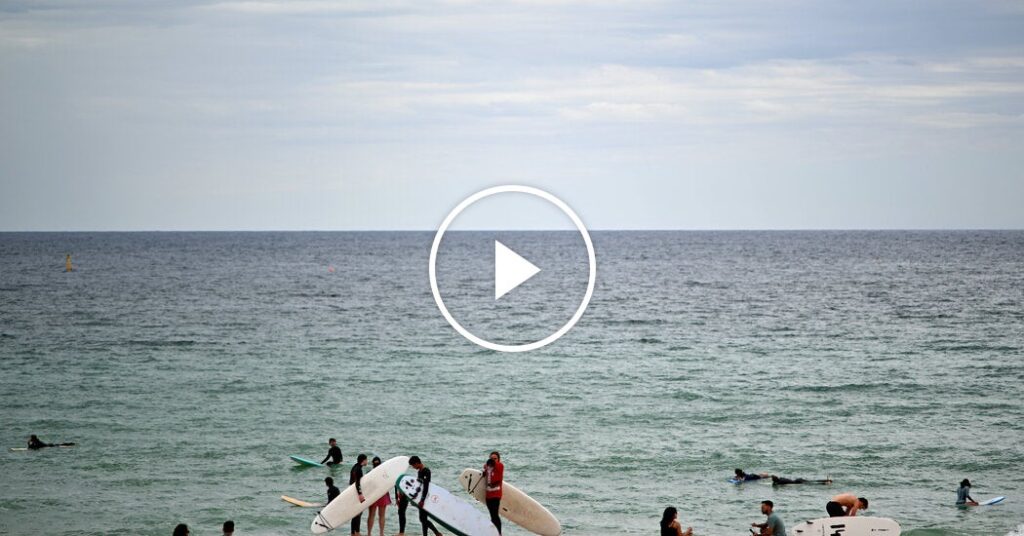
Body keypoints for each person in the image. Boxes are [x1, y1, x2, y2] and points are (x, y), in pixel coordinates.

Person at [409, 456, 442, 536]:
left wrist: (422, 500)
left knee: (423, 519)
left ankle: (437, 533)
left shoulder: (426, 471)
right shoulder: (419, 471)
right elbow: (419, 486)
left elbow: (426, 486)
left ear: (417, 463)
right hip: (421, 497)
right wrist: (415, 497)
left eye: (413, 465)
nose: (413, 467)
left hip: (426, 497)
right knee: (423, 518)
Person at [366, 457, 390, 536]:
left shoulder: (369, 473)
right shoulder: (384, 473)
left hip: (373, 495)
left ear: (373, 464)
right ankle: (381, 534)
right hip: (382, 494)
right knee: (382, 515)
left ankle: (369, 534)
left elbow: (367, 485)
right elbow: (388, 483)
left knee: (371, 515)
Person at [484, 451, 504, 534]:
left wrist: (491, 463)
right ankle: (493, 533)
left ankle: (499, 533)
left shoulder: (500, 466)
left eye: (495, 458)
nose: (493, 460)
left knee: (495, 515)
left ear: (498, 459)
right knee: (492, 515)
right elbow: (485, 469)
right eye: (491, 458)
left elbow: (496, 466)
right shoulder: (487, 467)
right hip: (488, 495)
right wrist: (484, 472)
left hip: (496, 495)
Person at [350, 454, 368, 536]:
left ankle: (353, 533)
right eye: (366, 460)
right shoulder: (359, 469)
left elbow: (351, 481)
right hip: (356, 492)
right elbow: (357, 482)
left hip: (352, 491)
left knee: (356, 512)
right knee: (358, 512)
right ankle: (357, 532)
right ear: (363, 460)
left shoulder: (355, 467)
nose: (367, 461)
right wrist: (360, 494)